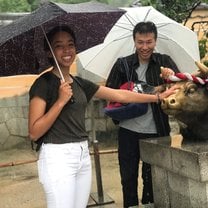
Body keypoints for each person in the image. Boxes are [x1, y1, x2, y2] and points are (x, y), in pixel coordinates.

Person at [28, 25, 177, 208]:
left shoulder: (79, 83)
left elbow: (120, 94)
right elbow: (34, 132)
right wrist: (60, 102)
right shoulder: (43, 84)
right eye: (59, 46)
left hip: (82, 152)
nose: (66, 50)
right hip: (57, 155)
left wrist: (157, 97)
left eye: (71, 44)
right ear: (49, 52)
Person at [105, 21, 180, 208]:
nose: (144, 47)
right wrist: (132, 96)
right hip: (128, 130)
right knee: (128, 176)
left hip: (157, 129)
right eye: (140, 42)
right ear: (134, 41)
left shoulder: (165, 61)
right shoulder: (123, 65)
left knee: (154, 178)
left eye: (149, 42)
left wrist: (171, 78)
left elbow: (180, 90)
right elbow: (109, 94)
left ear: (155, 41)